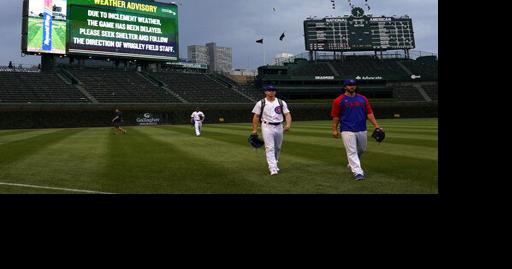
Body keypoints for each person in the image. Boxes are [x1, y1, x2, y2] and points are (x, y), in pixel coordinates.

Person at [331, 79, 381, 181]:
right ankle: (358, 172)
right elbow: (335, 116)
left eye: (353, 85)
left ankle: (351, 163)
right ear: (345, 87)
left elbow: (369, 113)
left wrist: (376, 126)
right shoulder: (338, 100)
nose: (352, 86)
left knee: (362, 149)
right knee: (352, 151)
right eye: (349, 85)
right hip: (347, 129)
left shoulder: (363, 99)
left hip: (362, 128)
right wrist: (334, 129)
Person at [251, 84, 292, 176]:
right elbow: (256, 116)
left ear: (275, 92)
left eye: (273, 90)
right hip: (267, 126)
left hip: (279, 126)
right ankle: (272, 168)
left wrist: (288, 124)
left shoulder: (281, 102)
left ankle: (275, 163)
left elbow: (287, 114)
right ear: (265, 92)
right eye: (269, 90)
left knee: (278, 147)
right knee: (270, 147)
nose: (271, 92)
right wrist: (254, 129)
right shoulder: (261, 103)